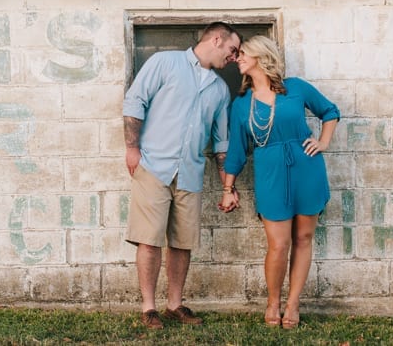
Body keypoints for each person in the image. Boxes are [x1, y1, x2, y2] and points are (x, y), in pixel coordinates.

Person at [123, 21, 242, 329]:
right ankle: (149, 308)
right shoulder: (166, 62)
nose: (234, 56)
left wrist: (228, 185)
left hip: (190, 172)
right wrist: (132, 148)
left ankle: (175, 303)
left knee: (182, 242)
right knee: (149, 241)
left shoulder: (219, 90)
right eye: (232, 49)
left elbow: (222, 142)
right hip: (153, 166)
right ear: (216, 39)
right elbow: (135, 100)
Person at [219, 35, 339, 329]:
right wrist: (227, 188)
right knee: (278, 244)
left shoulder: (295, 88)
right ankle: (273, 301)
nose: (238, 58)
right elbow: (237, 151)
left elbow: (330, 111)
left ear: (261, 56)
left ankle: (293, 303)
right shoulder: (241, 104)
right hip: (270, 173)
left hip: (306, 168)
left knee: (303, 239)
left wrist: (323, 142)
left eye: (244, 53)